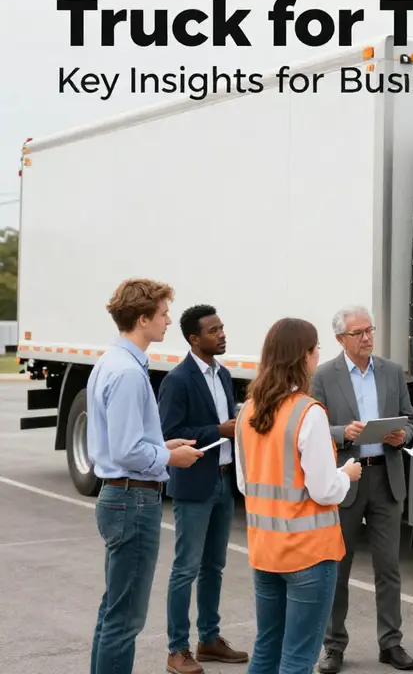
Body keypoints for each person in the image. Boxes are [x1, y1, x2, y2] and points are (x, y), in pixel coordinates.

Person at [86, 278, 204, 674]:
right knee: (125, 620)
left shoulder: (111, 362)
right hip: (132, 500)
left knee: (113, 611)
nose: (168, 321)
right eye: (163, 314)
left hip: (123, 496)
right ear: (142, 318)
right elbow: (126, 451)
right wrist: (170, 459)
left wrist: (164, 448)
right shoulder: (128, 373)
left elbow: (128, 443)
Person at [234, 317, 363, 673]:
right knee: (299, 657)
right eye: (316, 347)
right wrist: (347, 475)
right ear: (304, 356)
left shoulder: (247, 411)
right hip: (308, 552)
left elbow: (246, 484)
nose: (319, 353)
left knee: (267, 649)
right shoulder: (309, 412)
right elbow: (324, 490)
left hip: (265, 550)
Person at [313, 306, 413, 673]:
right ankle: (333, 645)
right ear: (341, 339)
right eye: (359, 333)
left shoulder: (390, 371)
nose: (368, 338)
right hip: (347, 478)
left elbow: (411, 421)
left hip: (386, 477)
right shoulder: (325, 376)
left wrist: (401, 435)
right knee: (337, 568)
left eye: (370, 330)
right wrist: (344, 433)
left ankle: (391, 643)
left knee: (388, 568)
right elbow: (311, 429)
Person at [158, 304, 249, 673]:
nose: (222, 334)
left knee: (215, 566)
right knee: (186, 569)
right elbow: (168, 436)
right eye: (214, 331)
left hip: (225, 480)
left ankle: (209, 639)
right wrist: (219, 430)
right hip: (195, 484)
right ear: (194, 339)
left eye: (222, 328)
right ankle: (177, 649)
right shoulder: (178, 380)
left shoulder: (223, 374)